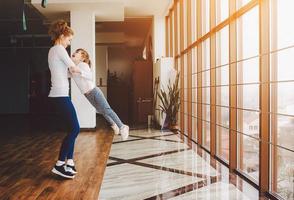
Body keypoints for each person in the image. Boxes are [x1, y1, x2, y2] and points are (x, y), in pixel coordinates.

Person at [69, 48, 129, 140]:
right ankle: (114, 125)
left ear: (82, 57)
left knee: (107, 109)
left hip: (94, 91)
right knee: (101, 111)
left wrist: (78, 71)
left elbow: (90, 76)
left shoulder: (83, 65)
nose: (74, 53)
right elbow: (68, 75)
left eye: (77, 52)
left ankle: (122, 127)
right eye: (74, 52)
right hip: (87, 95)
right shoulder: (74, 67)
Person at [48, 20, 81, 179]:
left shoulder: (53, 51)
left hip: (59, 95)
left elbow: (65, 73)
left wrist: (73, 69)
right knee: (75, 129)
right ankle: (59, 164)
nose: (69, 43)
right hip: (60, 95)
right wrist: (82, 64)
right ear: (62, 36)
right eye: (69, 40)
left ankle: (69, 162)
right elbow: (73, 68)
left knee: (72, 130)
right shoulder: (59, 49)